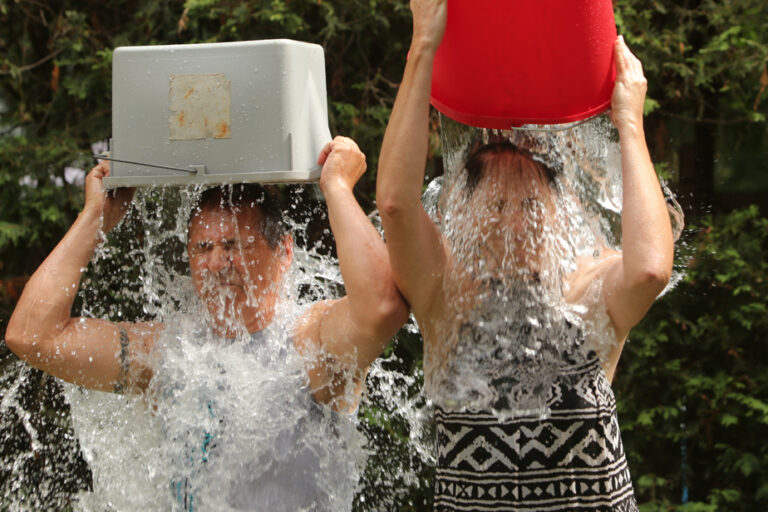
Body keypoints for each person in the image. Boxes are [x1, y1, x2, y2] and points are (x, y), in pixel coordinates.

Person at [376, 1, 674, 511]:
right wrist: (423, 47)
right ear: (463, 216)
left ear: (561, 213)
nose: (514, 221)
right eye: (495, 205)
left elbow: (649, 268)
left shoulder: (590, 293)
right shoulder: (446, 298)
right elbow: (398, 205)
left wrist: (630, 122)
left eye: (529, 204)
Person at [5, 136, 409, 510]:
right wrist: (94, 219)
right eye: (203, 248)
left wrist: (337, 187)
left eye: (234, 244)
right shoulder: (170, 352)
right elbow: (33, 335)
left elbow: (380, 307)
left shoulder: (310, 341)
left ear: (284, 251)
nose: (216, 263)